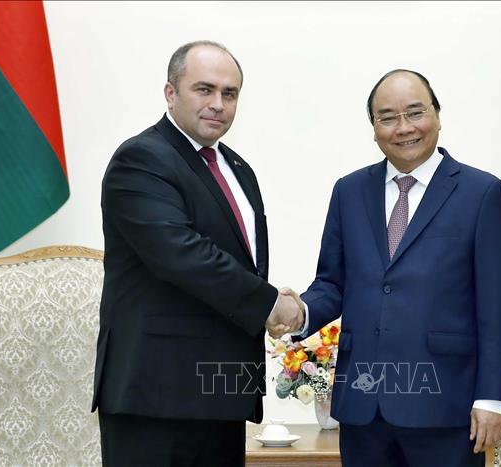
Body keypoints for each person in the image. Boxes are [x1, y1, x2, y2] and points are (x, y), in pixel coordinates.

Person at [286, 69, 501, 467]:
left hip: (445, 404)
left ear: (437, 115)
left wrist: (491, 399)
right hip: (363, 407)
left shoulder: (482, 193)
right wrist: (299, 311)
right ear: (374, 128)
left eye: (415, 112)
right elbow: (332, 283)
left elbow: (497, 307)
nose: (404, 127)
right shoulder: (348, 191)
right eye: (388, 117)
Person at [91, 40, 303, 467]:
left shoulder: (237, 169)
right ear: (171, 93)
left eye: (230, 93)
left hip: (223, 393)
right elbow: (182, 254)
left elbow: (242, 263)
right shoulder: (141, 158)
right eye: (204, 89)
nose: (218, 104)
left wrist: (268, 303)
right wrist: (270, 304)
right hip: (157, 397)